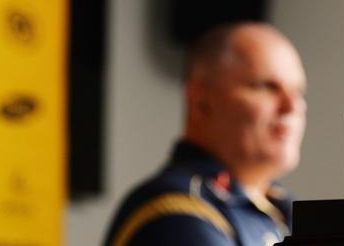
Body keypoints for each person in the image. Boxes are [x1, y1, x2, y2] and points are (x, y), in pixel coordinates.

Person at [103, 22, 307, 246]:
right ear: (201, 101)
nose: (292, 106)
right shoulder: (178, 214)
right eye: (266, 86)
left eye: (298, 91)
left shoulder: (279, 207)